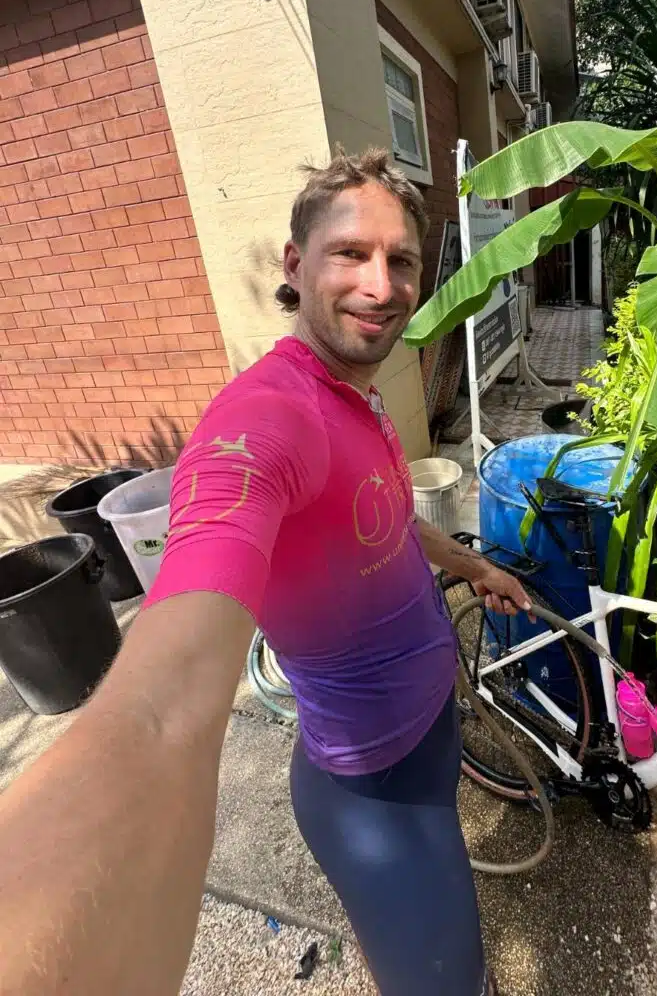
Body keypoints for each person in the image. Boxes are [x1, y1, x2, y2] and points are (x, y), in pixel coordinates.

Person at [0, 148, 532, 996]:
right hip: (371, 794)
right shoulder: (267, 418)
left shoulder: (357, 392)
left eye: (400, 261)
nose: (381, 284)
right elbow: (164, 705)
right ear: (295, 264)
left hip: (431, 739)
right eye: (350, 252)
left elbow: (389, 517)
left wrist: (471, 566)